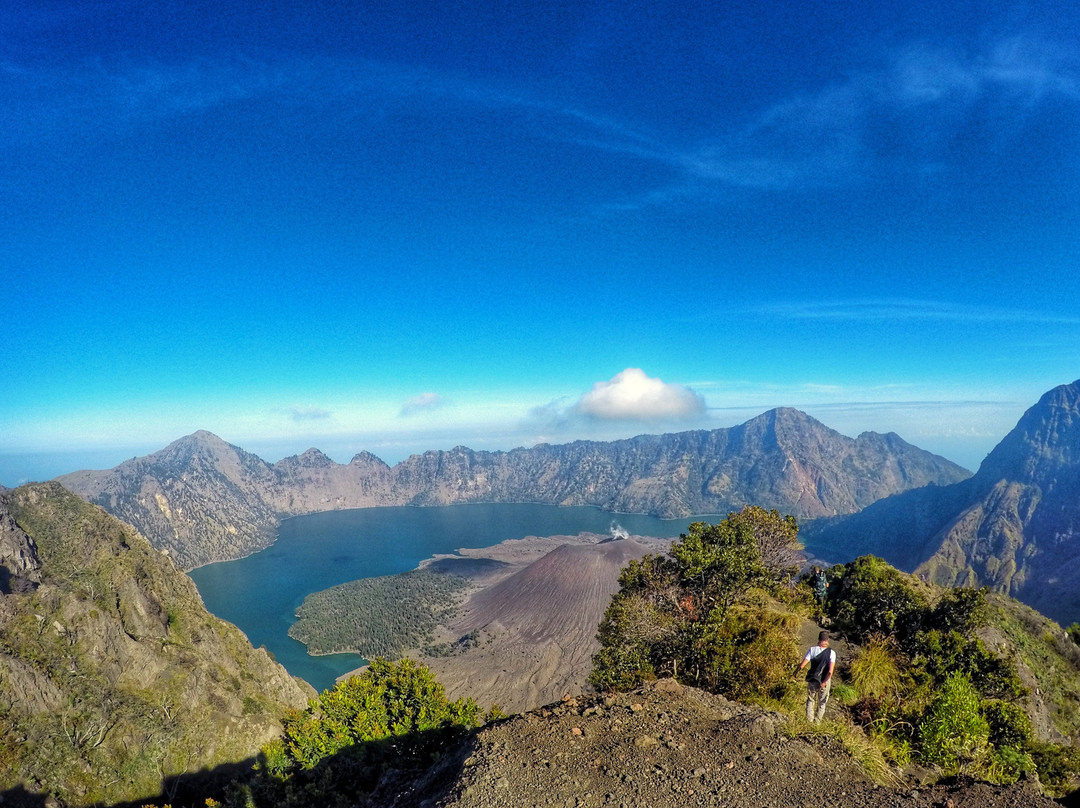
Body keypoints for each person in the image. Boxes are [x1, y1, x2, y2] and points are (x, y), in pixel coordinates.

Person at [798, 630, 836, 722]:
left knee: (811, 700)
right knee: (822, 702)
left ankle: (809, 721)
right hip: (825, 680)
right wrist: (824, 682)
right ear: (827, 640)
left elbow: (802, 665)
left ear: (819, 639)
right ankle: (817, 723)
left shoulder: (812, 650)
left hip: (813, 679)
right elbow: (830, 671)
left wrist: (796, 672)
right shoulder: (831, 653)